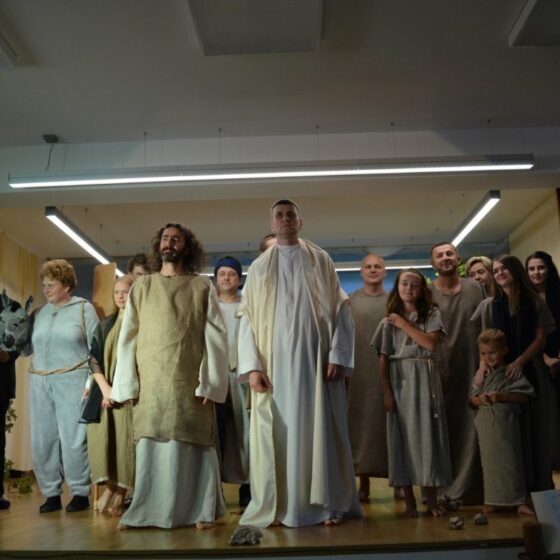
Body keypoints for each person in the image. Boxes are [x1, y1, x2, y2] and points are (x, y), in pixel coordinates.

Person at [237, 199, 361, 528]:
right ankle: (281, 506)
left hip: (316, 365)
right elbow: (246, 319)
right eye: (279, 215)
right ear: (272, 224)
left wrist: (337, 354)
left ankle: (325, 505)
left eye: (291, 215)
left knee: (318, 427)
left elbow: (341, 309)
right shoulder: (259, 267)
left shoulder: (321, 259)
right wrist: (252, 367)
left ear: (300, 222)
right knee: (280, 432)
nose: (285, 219)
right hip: (273, 368)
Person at [111, 223, 229, 530]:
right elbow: (128, 337)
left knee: (192, 441)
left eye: (177, 239)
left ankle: (200, 510)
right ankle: (147, 511)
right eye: (165, 238)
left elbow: (216, 336)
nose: (170, 243)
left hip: (189, 380)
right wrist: (127, 383)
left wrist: (211, 382)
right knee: (152, 442)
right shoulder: (142, 286)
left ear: (187, 247)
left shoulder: (201, 286)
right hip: (152, 382)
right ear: (158, 244)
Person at [472, 255, 556, 492]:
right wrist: (482, 366)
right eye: (496, 270)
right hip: (501, 375)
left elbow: (540, 338)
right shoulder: (490, 305)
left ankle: (539, 488)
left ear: (515, 271)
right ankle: (512, 491)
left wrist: (519, 362)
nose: (499, 273)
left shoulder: (534, 302)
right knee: (509, 433)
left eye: (504, 269)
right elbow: (484, 339)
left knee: (536, 429)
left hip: (530, 369)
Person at [373, 268, 451, 517]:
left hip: (425, 378)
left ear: (422, 290)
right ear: (397, 287)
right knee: (402, 439)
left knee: (429, 437)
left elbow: (430, 343)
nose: (409, 288)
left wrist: (404, 324)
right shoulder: (387, 322)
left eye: (414, 284)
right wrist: (387, 392)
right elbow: (383, 359)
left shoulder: (431, 314)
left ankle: (432, 499)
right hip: (401, 380)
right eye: (404, 283)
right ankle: (409, 501)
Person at [28, 259, 99, 513]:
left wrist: (91, 381)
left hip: (73, 380)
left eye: (52, 285)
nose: (46, 289)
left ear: (66, 285)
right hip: (40, 381)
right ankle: (51, 494)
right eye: (44, 285)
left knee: (73, 438)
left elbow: (96, 349)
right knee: (42, 440)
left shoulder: (84, 309)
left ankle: (79, 492)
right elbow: (26, 348)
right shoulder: (39, 313)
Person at [428, 242, 484, 505]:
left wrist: (485, 365)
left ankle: (471, 489)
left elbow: (487, 326)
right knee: (441, 431)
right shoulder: (427, 293)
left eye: (449, 253)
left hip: (473, 368)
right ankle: (441, 491)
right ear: (433, 264)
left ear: (458, 258)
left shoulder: (475, 288)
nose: (445, 258)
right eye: (439, 255)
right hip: (438, 371)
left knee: (472, 429)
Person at [470, 329, 535, 516]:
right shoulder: (481, 375)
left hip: (506, 423)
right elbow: (471, 400)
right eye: (484, 354)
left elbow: (525, 396)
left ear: (504, 350)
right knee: (489, 464)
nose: (488, 357)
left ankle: (519, 501)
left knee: (512, 462)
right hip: (486, 425)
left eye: (492, 353)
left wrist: (502, 397)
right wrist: (481, 399)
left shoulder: (510, 372)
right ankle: (492, 501)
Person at [87, 275, 135, 516]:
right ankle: (110, 489)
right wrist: (105, 389)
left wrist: (119, 391)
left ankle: (120, 493)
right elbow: (93, 358)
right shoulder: (106, 323)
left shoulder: (140, 323)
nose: (120, 296)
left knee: (125, 443)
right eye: (116, 292)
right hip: (104, 392)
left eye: (125, 291)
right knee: (104, 442)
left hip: (129, 394)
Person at [347, 254, 389, 502]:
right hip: (359, 371)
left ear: (384, 272)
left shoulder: (394, 301)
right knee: (361, 426)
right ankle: (363, 481)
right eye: (368, 267)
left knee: (390, 426)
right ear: (361, 272)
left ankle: (399, 480)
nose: (373, 270)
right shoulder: (350, 301)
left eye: (378, 267)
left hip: (390, 371)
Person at [213, 256, 251, 508]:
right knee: (217, 433)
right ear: (216, 279)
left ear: (239, 279)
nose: (226, 278)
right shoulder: (209, 306)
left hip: (240, 376)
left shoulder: (246, 306)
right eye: (222, 274)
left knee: (244, 433)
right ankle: (215, 487)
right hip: (215, 375)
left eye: (231, 274)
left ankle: (247, 485)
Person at [526, 251, 560, 469]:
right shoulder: (526, 299)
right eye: (531, 269)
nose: (536, 272)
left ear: (549, 269)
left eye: (541, 267)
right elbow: (528, 336)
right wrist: (546, 359)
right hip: (539, 360)